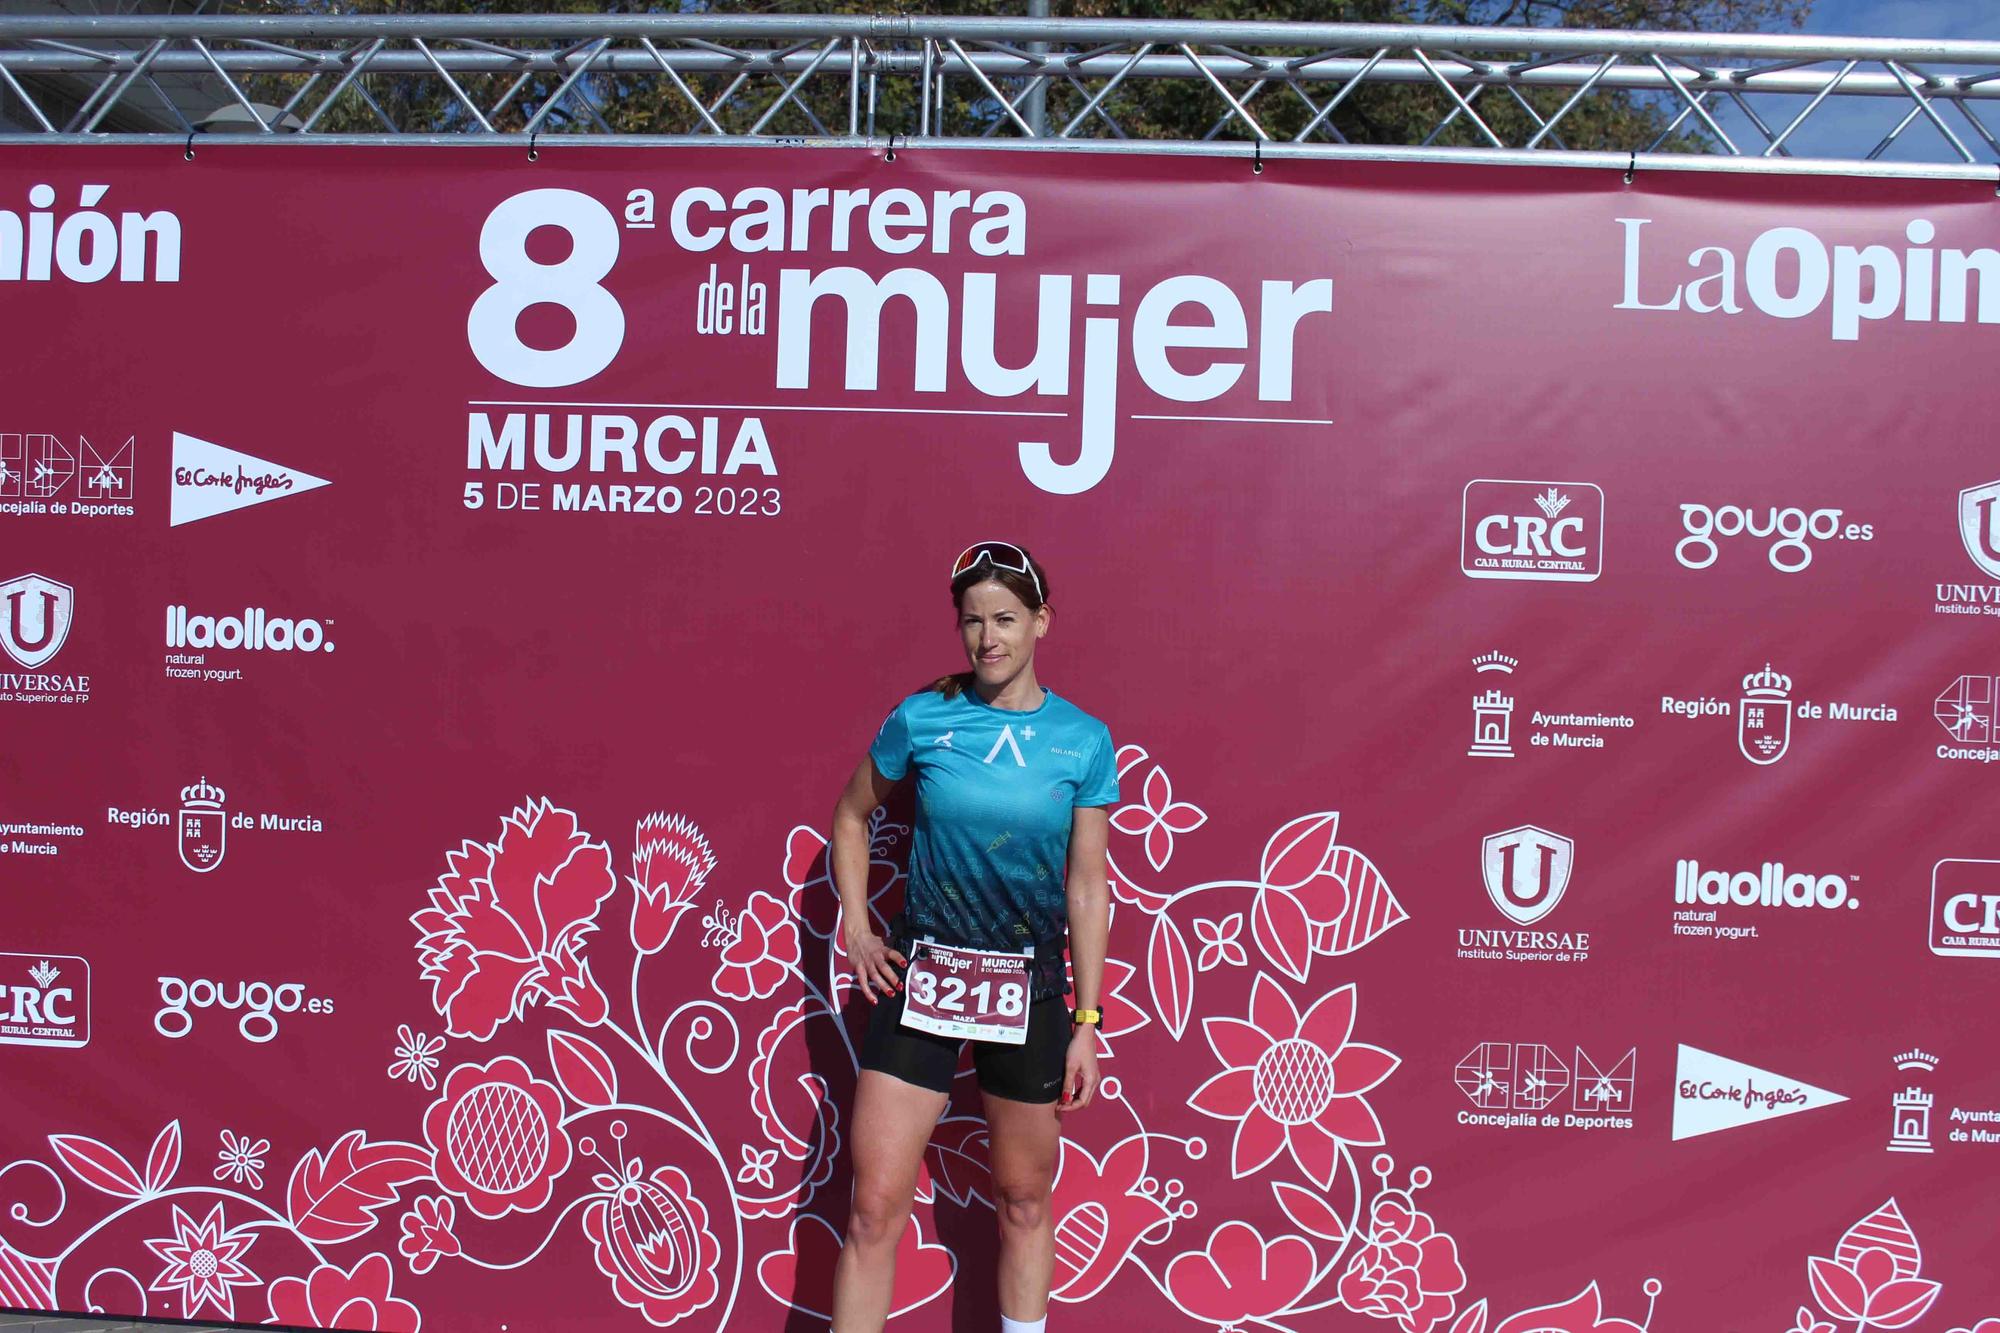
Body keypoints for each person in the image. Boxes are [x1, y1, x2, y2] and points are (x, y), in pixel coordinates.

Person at [827, 541, 1118, 1333]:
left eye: (1006, 619)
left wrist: (1087, 1023)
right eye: (973, 622)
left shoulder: (1083, 739)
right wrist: (858, 923)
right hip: (923, 980)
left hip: (1031, 991)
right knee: (873, 1207)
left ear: (1041, 623)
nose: (988, 638)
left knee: (1024, 1202)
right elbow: (851, 818)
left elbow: (1087, 883)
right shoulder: (922, 719)